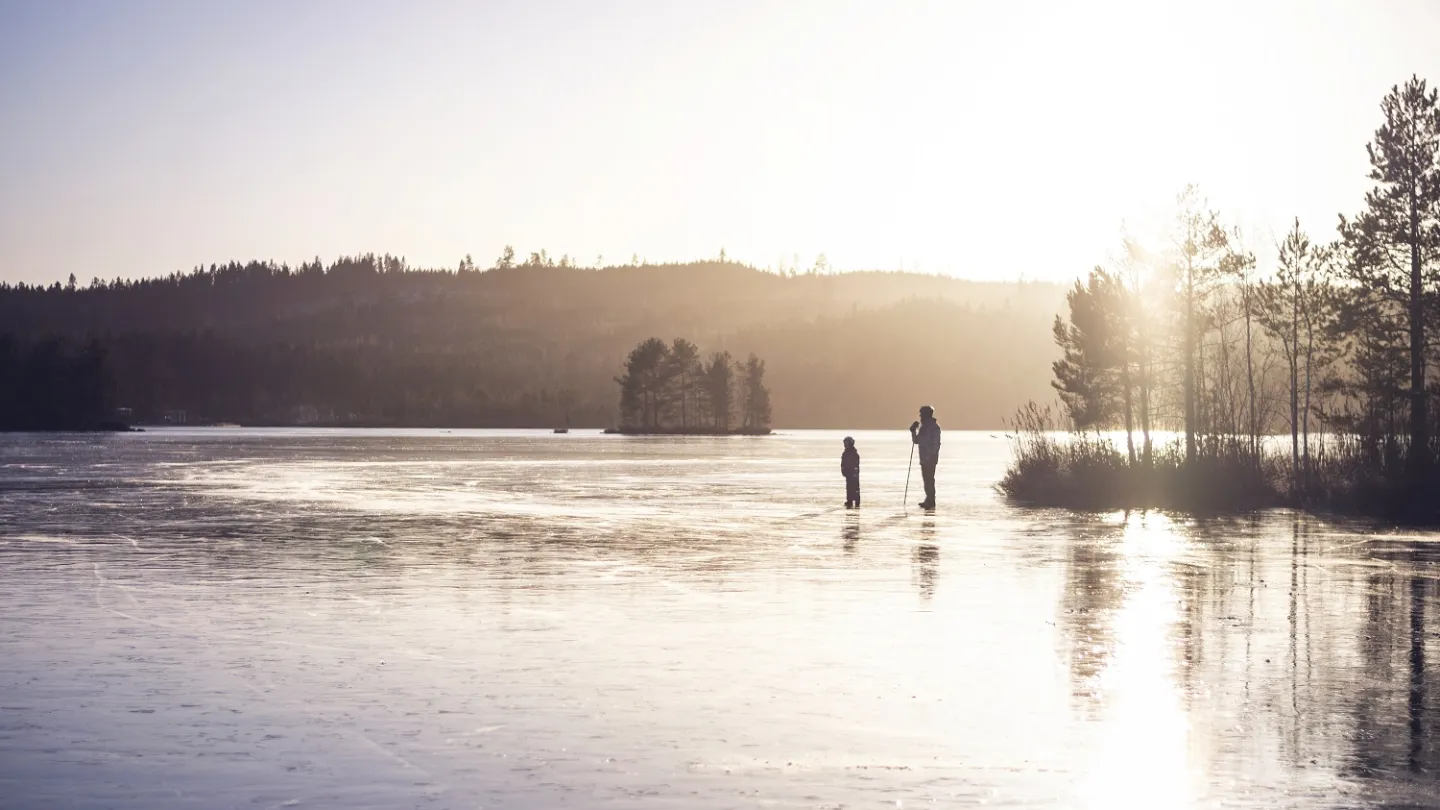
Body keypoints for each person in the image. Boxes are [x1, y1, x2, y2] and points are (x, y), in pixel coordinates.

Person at [909, 405, 941, 509]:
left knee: (929, 479)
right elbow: (916, 441)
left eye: (922, 414)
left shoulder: (935, 428)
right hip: (924, 459)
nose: (920, 416)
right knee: (926, 479)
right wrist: (913, 431)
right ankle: (929, 499)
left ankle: (931, 500)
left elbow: (936, 445)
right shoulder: (923, 428)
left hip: (930, 459)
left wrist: (930, 456)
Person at [841, 436, 861, 508]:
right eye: (844, 443)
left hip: (853, 473)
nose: (845, 444)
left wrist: (854, 471)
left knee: (855, 487)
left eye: (846, 443)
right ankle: (849, 501)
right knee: (848, 487)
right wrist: (843, 470)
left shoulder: (854, 453)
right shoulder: (845, 453)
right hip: (848, 473)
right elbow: (843, 463)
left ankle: (857, 501)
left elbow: (856, 463)